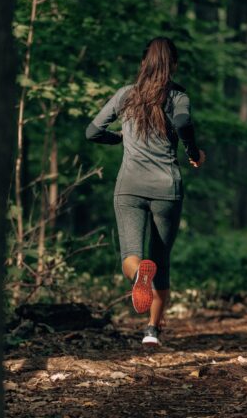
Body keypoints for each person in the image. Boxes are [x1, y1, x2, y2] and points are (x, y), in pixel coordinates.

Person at [85, 36, 205, 346]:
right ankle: (151, 330)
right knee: (161, 259)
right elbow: (183, 122)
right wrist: (193, 152)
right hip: (166, 188)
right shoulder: (178, 95)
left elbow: (93, 131)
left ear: (143, 64)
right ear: (173, 65)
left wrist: (119, 140)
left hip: (130, 188)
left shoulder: (126, 95)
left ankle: (140, 274)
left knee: (131, 256)